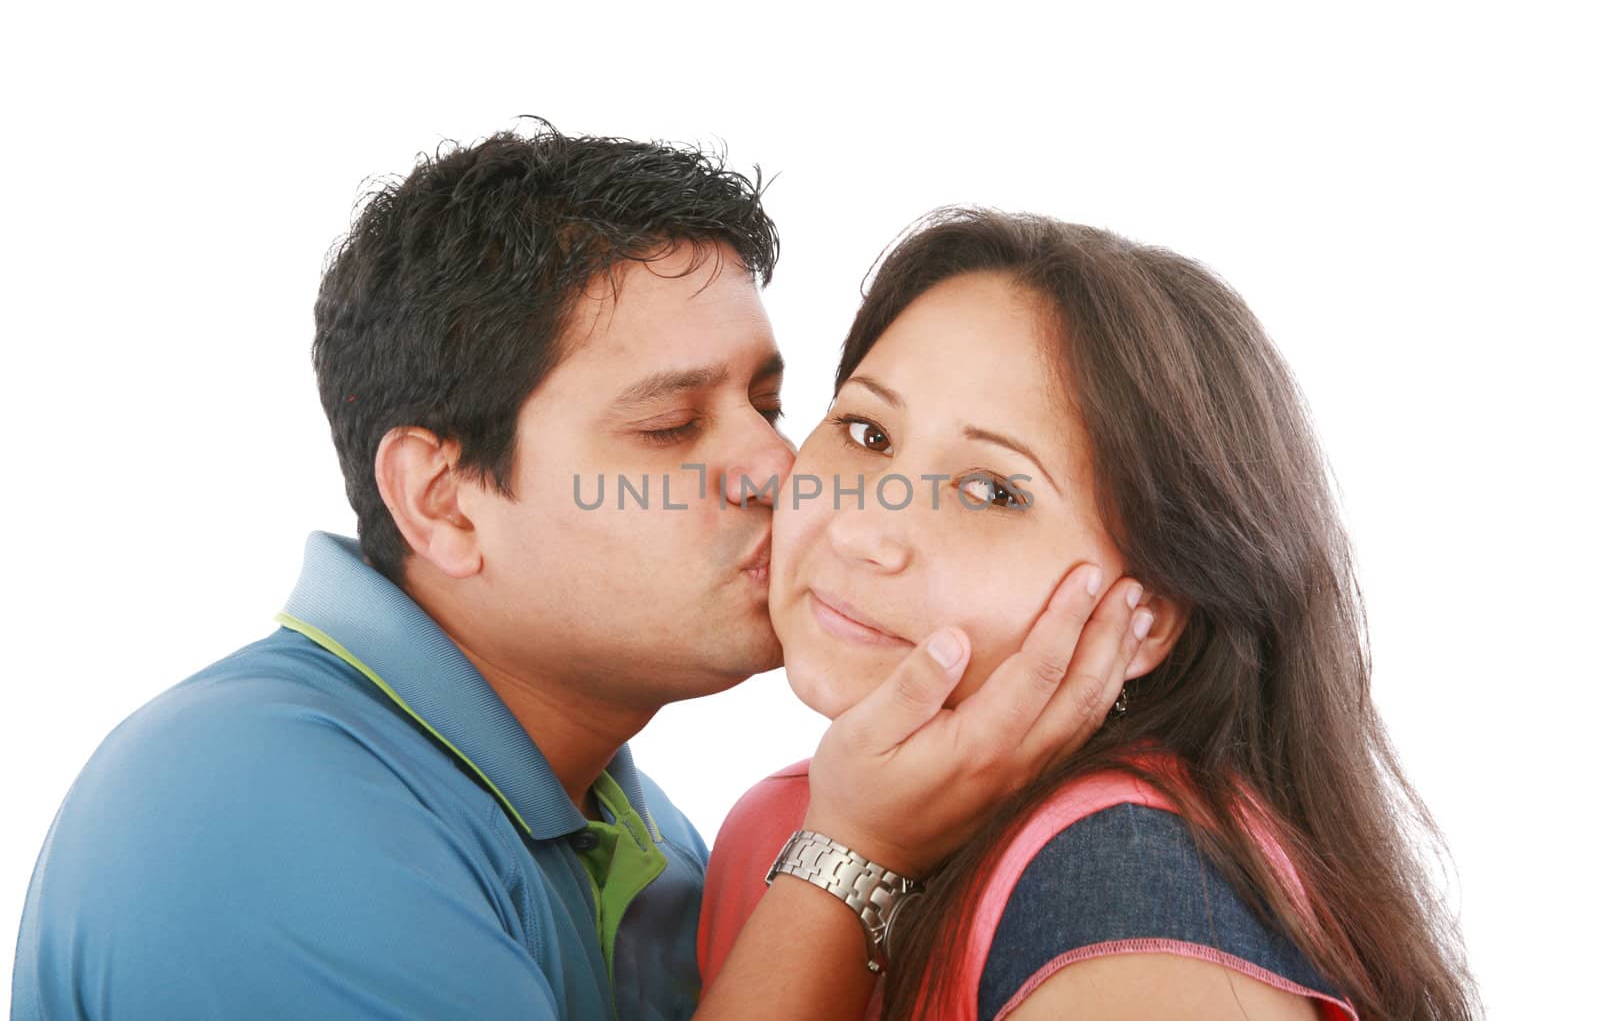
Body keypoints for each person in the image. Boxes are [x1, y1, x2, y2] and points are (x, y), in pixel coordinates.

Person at [10, 130, 1141, 1020]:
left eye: (767, 402)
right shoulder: (253, 801)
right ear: (443, 499)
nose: (777, 467)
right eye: (669, 425)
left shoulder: (662, 845)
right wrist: (853, 856)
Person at [698, 209, 1479, 1020]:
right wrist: (848, 850)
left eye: (991, 490)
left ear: (1147, 619)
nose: (863, 529)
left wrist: (853, 853)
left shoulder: (1133, 888)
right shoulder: (784, 823)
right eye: (866, 431)